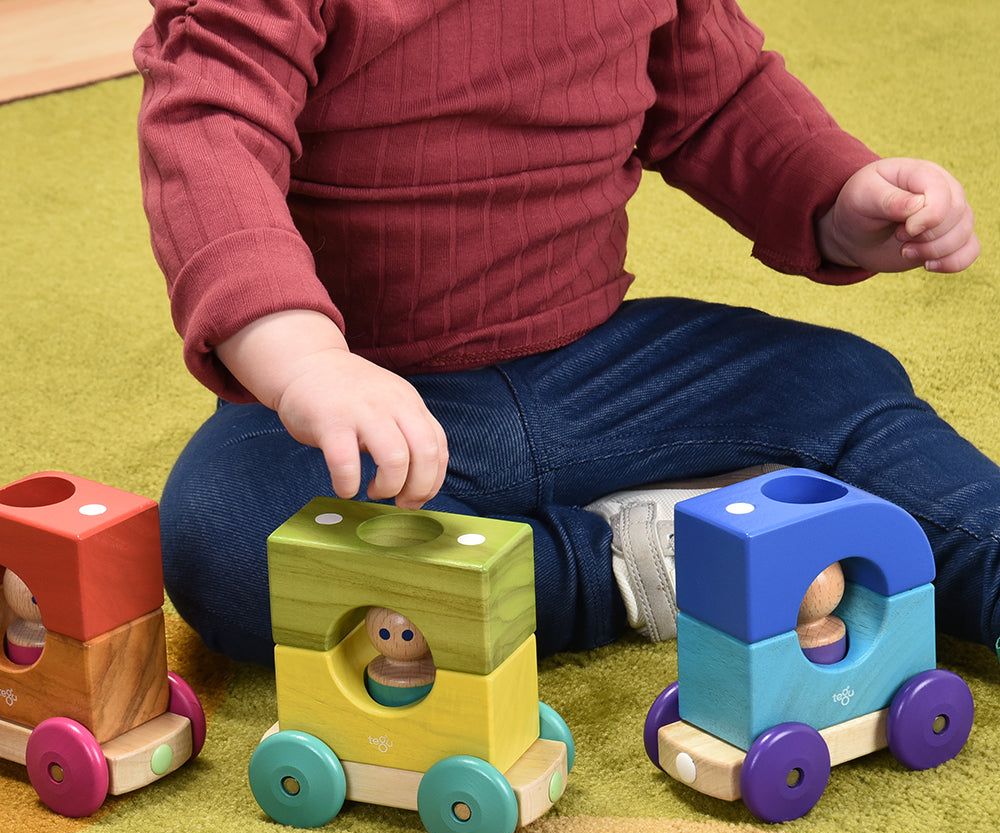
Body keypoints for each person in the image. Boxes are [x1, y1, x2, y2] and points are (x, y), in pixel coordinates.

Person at [134, 0, 992, 667]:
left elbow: (718, 100)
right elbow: (211, 132)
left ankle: (981, 555)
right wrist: (306, 361)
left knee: (839, 383)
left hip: (603, 363)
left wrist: (837, 199)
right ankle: (632, 566)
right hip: (369, 400)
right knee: (234, 536)